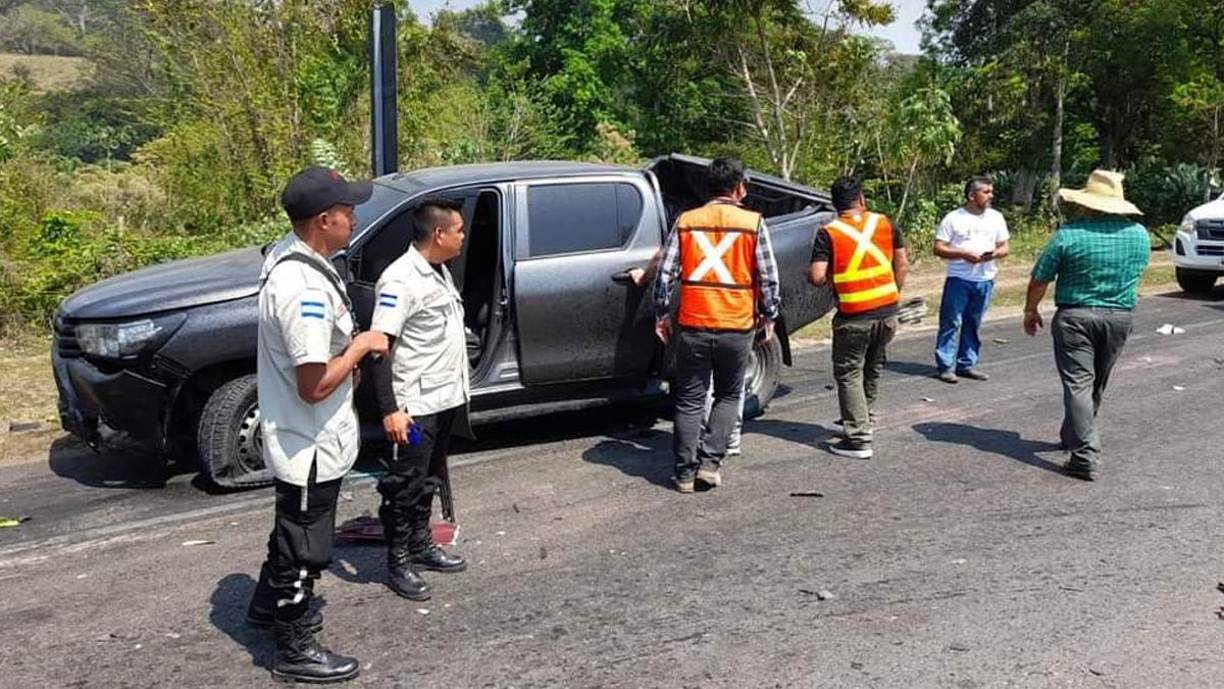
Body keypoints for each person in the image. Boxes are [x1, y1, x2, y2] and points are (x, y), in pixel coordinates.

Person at [246, 166, 387, 684]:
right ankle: (295, 645)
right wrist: (361, 345)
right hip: (308, 441)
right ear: (324, 220)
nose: (354, 218)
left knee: (291, 529)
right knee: (308, 546)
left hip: (305, 435)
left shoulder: (293, 255)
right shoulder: (302, 288)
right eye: (348, 212)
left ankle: (265, 606)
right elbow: (314, 384)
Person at [652, 157, 780, 492]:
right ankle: (709, 463)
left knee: (690, 398)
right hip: (737, 325)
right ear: (739, 188)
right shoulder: (753, 223)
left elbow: (664, 275)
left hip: (693, 322)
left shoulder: (686, 221)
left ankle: (683, 473)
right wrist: (769, 315)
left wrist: (662, 315)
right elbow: (768, 277)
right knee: (728, 394)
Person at [367, 195, 470, 601]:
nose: (463, 237)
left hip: (442, 399)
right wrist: (390, 409)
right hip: (413, 409)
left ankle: (422, 544)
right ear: (439, 233)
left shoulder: (439, 270)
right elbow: (379, 347)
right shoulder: (400, 279)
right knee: (403, 485)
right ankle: (398, 561)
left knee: (429, 478)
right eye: (459, 231)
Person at [1022, 170, 1149, 481]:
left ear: (1087, 204)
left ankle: (1084, 456)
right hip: (1119, 317)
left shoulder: (1069, 234)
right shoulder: (1139, 235)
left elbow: (1040, 277)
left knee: (1078, 384)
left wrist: (1030, 309)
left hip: (1075, 317)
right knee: (1095, 383)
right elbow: (1137, 272)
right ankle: (1073, 435)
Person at [808, 176, 908, 460]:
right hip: (887, 311)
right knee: (873, 366)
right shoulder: (885, 223)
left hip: (854, 316)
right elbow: (901, 263)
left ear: (834, 204)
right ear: (861, 199)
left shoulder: (829, 232)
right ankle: (865, 417)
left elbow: (816, 276)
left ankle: (859, 438)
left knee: (849, 372)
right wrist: (893, 294)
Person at [933, 176, 1010, 383]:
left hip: (985, 278)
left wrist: (992, 254)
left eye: (991, 191)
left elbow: (1005, 247)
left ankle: (967, 363)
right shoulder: (953, 218)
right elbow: (938, 247)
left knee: (973, 322)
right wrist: (963, 254)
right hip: (959, 278)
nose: (990, 195)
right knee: (951, 321)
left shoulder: (996, 217)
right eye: (986, 192)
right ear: (971, 195)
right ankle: (945, 365)